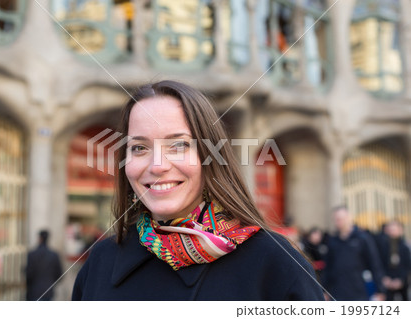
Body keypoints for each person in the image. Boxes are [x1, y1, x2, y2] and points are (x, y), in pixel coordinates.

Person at [72, 80, 324, 301]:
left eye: (178, 145)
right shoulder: (101, 261)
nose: (157, 165)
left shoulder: (275, 263)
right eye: (139, 148)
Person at [323, 205, 386, 301]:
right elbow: (328, 267)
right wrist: (324, 290)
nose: (338, 222)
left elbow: (375, 264)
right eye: (336, 219)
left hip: (358, 290)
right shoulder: (332, 241)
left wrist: (380, 290)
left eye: (341, 219)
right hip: (337, 291)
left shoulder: (362, 238)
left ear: (349, 218)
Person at [376, 220, 411, 301]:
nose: (392, 232)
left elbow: (407, 265)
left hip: (402, 282)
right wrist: (385, 278)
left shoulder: (404, 247)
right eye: (390, 230)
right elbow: (379, 263)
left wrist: (401, 279)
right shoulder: (382, 246)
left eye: (394, 230)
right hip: (387, 281)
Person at [26, 230, 63, 301]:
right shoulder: (54, 255)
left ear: (39, 238)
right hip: (48, 292)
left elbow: (29, 274)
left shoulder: (32, 254)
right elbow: (59, 274)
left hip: (34, 292)